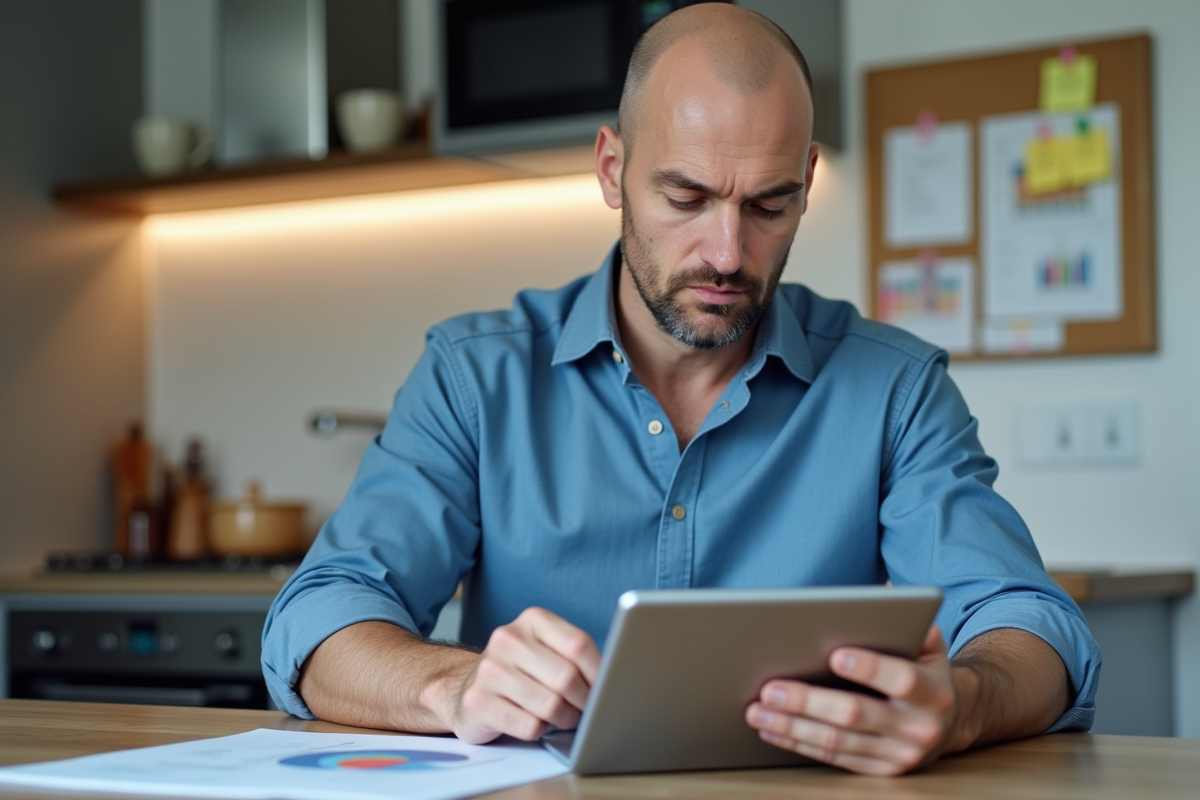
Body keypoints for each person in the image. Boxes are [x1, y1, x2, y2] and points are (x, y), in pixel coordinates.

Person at [262, 3, 1099, 776]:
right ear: (611, 169)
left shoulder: (896, 388)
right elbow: (319, 620)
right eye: (686, 197)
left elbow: (1033, 628)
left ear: (807, 182)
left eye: (770, 205)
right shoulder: (474, 376)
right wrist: (454, 686)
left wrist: (963, 706)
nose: (728, 252)